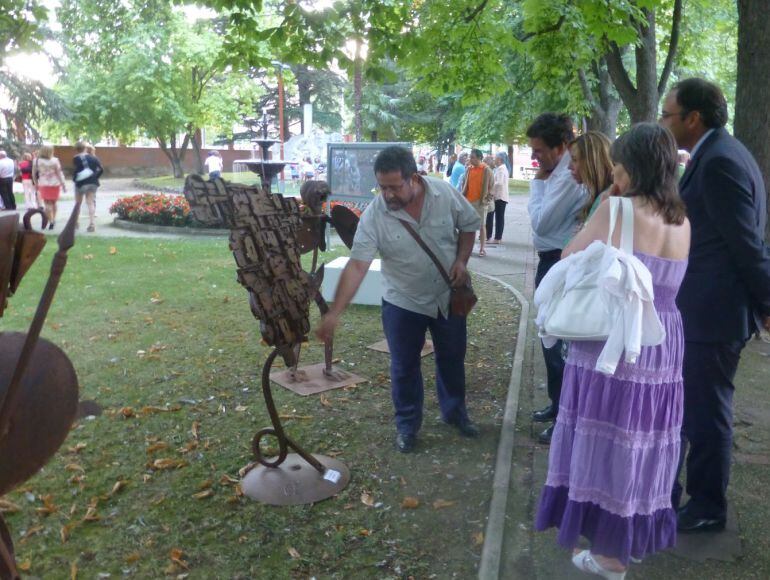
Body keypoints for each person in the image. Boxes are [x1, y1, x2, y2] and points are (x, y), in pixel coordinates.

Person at [536, 123, 691, 577]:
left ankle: (609, 557)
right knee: (641, 441)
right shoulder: (682, 219)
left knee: (605, 439)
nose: (614, 171)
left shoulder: (615, 208)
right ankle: (628, 540)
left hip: (614, 341)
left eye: (619, 163)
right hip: (662, 340)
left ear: (632, 166)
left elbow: (569, 258)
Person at [315, 145, 481, 453]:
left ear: (413, 178)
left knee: (452, 358)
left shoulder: (444, 194)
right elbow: (358, 265)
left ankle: (455, 413)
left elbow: (469, 224)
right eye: (382, 186)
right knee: (404, 366)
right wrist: (335, 312)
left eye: (394, 187)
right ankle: (407, 426)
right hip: (402, 301)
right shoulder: (375, 215)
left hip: (447, 297)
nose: (387, 194)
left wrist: (462, 260)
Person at [659, 78, 770, 533]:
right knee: (699, 410)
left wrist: (766, 302)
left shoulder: (720, 161)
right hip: (709, 309)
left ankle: (707, 507)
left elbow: (747, 244)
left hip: (714, 313)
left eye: (668, 115)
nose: (663, 122)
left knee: (708, 414)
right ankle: (694, 497)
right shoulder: (719, 152)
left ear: (693, 118)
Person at [526, 113, 587, 444]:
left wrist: (537, 181)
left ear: (561, 146)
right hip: (550, 261)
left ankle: (566, 417)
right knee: (548, 338)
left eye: (539, 151)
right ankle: (557, 404)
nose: (536, 158)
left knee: (557, 342)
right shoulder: (558, 174)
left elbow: (541, 224)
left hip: (558, 263)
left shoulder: (564, 178)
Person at [568, 131, 615, 224]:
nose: (569, 166)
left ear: (592, 162)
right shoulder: (598, 195)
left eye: (574, 159)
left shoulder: (606, 199)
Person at [460, 149, 494, 256]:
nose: (470, 159)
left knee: (481, 226)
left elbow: (492, 187)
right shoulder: (469, 169)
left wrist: (486, 200)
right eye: (470, 157)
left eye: (473, 157)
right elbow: (464, 183)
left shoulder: (486, 170)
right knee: (467, 226)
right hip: (468, 202)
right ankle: (466, 248)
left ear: (479, 158)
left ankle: (482, 248)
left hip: (480, 203)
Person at [32, 145, 67, 229]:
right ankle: (54, 219)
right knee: (54, 203)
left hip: (43, 184)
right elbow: (59, 173)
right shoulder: (55, 160)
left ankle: (50, 221)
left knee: (47, 203)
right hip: (55, 184)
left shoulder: (36, 160)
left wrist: (36, 183)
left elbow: (33, 173)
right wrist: (63, 184)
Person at [72, 141, 104, 232]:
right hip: (93, 183)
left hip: (81, 183)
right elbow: (101, 169)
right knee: (90, 203)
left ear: (77, 149)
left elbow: (76, 170)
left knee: (78, 203)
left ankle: (76, 222)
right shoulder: (94, 158)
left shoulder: (76, 158)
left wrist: (75, 180)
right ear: (85, 148)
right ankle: (92, 223)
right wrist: (95, 177)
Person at [486, 152, 510, 245]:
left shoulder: (501, 169)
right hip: (500, 196)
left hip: (500, 196)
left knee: (499, 218)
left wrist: (490, 185)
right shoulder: (501, 168)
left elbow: (499, 183)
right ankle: (497, 237)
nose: (494, 160)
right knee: (499, 217)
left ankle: (497, 238)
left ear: (499, 159)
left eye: (495, 158)